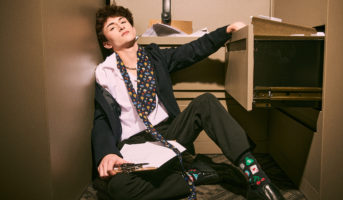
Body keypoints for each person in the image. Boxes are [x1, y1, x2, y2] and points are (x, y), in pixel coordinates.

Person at [92, 5, 284, 200]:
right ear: (108, 43)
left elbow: (192, 50)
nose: (121, 26)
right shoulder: (105, 72)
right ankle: (195, 174)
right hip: (134, 144)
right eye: (113, 27)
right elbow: (101, 117)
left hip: (169, 132)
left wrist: (226, 30)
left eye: (123, 22)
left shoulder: (155, 57)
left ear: (132, 28)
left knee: (206, 102)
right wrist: (106, 153)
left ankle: (258, 178)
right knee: (118, 188)